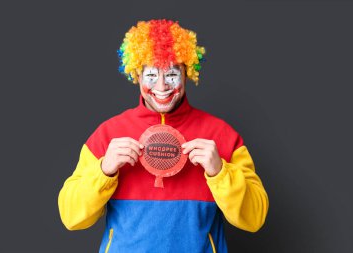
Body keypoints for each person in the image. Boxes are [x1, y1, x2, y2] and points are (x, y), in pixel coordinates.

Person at [58, 19, 269, 253]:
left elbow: (255, 218)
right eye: (151, 74)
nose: (161, 86)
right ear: (137, 74)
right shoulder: (108, 134)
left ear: (187, 72)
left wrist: (220, 172)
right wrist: (104, 171)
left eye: (171, 74)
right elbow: (71, 216)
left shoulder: (222, 135)